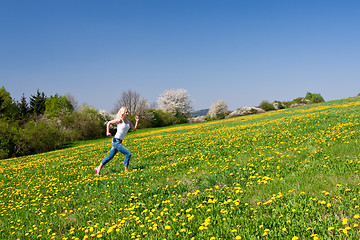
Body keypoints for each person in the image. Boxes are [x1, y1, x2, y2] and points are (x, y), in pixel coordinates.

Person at [95, 107, 139, 175]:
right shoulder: (120, 120)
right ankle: (126, 171)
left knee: (110, 156)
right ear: (122, 113)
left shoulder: (128, 121)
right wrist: (107, 132)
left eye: (128, 112)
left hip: (119, 141)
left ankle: (98, 168)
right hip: (116, 141)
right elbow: (109, 123)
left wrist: (137, 121)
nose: (127, 113)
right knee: (128, 154)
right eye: (126, 112)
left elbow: (134, 129)